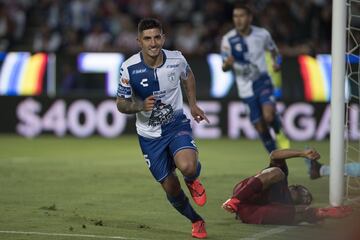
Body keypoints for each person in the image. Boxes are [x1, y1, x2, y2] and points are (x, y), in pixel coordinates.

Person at [116, 18, 209, 239]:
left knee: (187, 166)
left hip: (175, 125)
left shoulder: (176, 59)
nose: (153, 42)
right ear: (139, 41)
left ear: (163, 38)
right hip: (149, 136)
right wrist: (139, 105)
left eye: (157, 37)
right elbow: (121, 103)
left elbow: (188, 77)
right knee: (171, 188)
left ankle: (192, 178)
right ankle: (196, 220)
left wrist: (193, 103)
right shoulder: (129, 68)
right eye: (147, 38)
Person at [221, 3, 290, 153]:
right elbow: (224, 68)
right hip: (245, 88)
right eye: (235, 16)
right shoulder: (228, 39)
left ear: (250, 18)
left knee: (269, 116)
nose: (238, 20)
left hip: (262, 80)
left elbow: (274, 52)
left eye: (241, 16)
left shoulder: (262, 34)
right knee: (260, 127)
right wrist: (227, 64)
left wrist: (276, 63)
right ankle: (276, 157)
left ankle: (280, 133)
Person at [221, 148, 352, 225]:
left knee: (294, 214)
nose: (297, 189)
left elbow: (303, 213)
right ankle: (235, 200)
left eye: (301, 194)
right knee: (277, 172)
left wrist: (323, 213)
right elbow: (275, 155)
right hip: (244, 192)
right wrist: (302, 153)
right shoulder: (282, 183)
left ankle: (325, 212)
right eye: (298, 188)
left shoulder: (288, 207)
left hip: (250, 213)